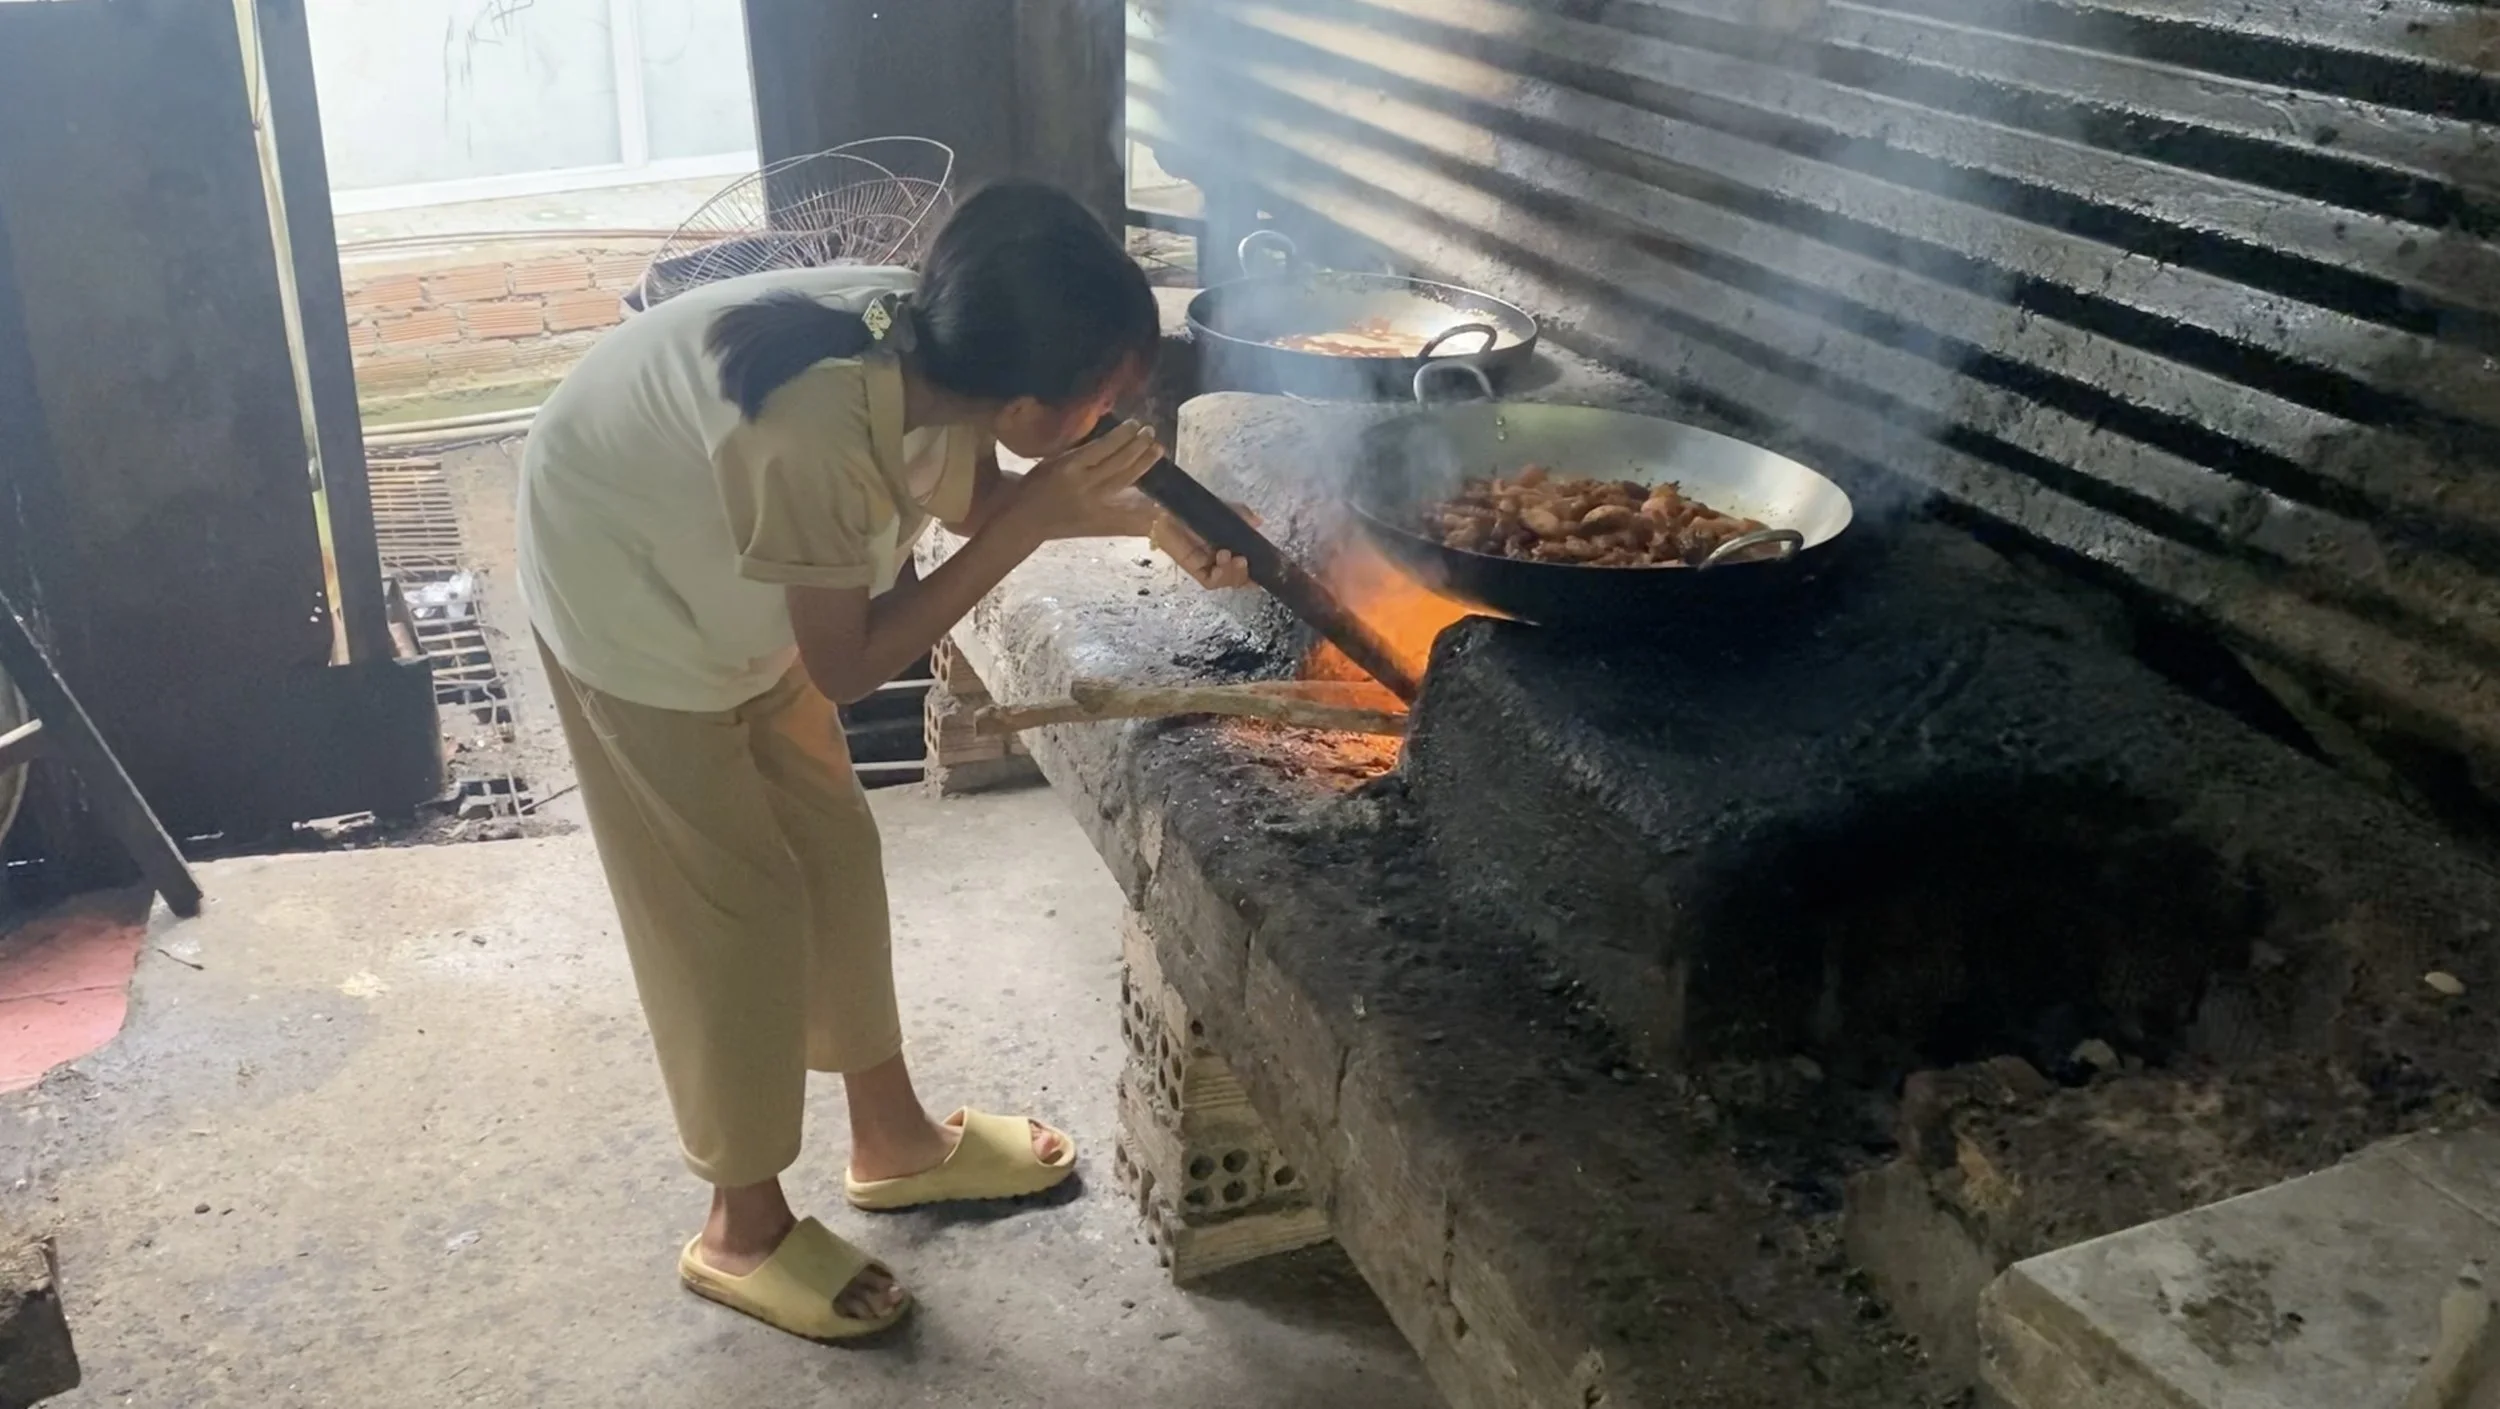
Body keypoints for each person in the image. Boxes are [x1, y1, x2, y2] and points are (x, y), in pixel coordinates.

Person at [515, 180, 1244, 1341]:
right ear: (1027, 401)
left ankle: (891, 1137)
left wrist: (1148, 520)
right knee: (730, 912)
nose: (1112, 414)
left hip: (746, 596)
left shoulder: (936, 342)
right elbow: (855, 665)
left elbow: (983, 505)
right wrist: (1033, 519)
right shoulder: (814, 423)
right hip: (634, 605)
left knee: (836, 851)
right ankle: (739, 1225)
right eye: (1101, 396)